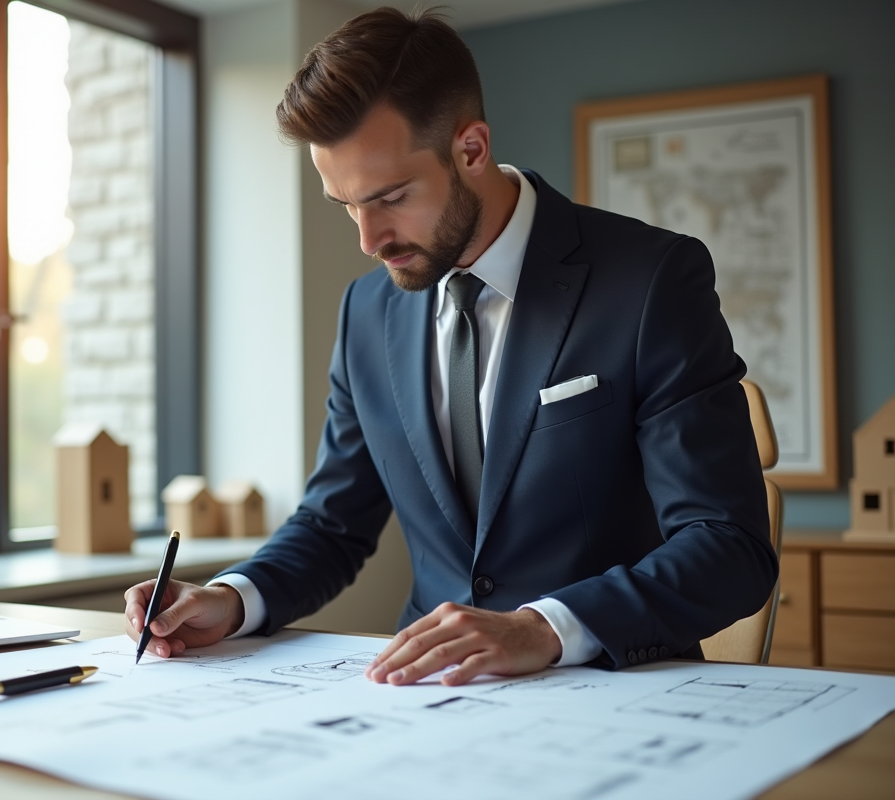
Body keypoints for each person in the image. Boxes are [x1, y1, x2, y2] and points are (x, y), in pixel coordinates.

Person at [124, 6, 776, 686]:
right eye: (345, 204)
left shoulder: (649, 280)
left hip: (617, 693)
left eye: (391, 197)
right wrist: (231, 599)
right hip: (425, 700)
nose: (368, 240)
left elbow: (728, 549)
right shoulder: (366, 312)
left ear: (471, 148)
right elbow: (331, 525)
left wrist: (542, 628)